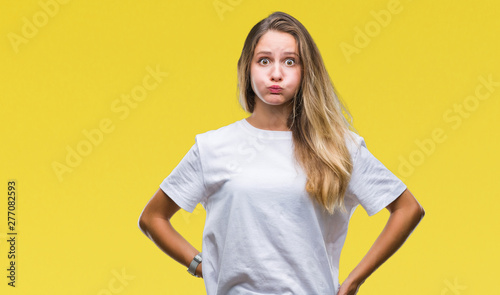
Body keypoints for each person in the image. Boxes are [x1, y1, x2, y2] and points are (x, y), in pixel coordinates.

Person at [138, 11, 425, 295]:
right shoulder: (213, 147)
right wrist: (202, 266)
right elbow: (153, 218)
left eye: (290, 61)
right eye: (264, 61)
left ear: (305, 70)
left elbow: (407, 208)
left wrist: (354, 281)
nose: (276, 73)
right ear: (246, 68)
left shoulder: (336, 148)